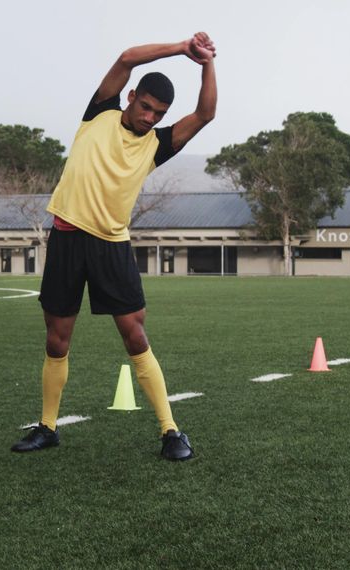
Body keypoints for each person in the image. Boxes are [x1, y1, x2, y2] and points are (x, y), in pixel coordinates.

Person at [12, 33, 217, 461]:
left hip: (112, 245)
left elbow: (205, 114)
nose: (149, 117)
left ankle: (171, 431)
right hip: (67, 238)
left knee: (135, 335)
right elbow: (126, 57)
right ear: (130, 97)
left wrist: (206, 64)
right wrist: (181, 47)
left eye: (158, 113)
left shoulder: (157, 145)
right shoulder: (99, 112)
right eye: (145, 106)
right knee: (57, 339)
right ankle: (48, 427)